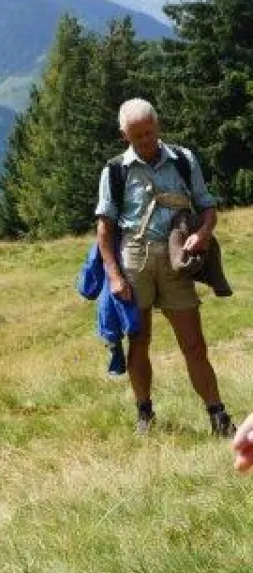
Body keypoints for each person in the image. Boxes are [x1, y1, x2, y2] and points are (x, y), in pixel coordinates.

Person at [95, 98, 234, 436]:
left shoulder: (184, 160)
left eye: (148, 132)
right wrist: (114, 276)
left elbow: (207, 208)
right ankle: (145, 415)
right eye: (135, 135)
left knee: (195, 345)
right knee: (139, 341)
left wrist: (202, 234)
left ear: (158, 125)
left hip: (177, 263)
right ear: (123, 134)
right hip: (134, 260)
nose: (143, 141)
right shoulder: (114, 171)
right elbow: (104, 229)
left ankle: (218, 416)